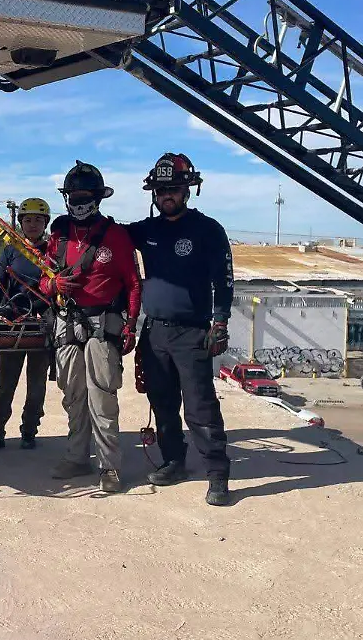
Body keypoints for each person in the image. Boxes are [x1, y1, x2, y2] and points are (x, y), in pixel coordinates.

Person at [126, 152, 234, 506]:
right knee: (163, 403)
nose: (165, 196)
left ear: (187, 190)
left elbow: (224, 280)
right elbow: (111, 235)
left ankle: (217, 475)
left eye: (172, 189)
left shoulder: (208, 230)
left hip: (192, 334)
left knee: (201, 407)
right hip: (154, 332)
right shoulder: (147, 230)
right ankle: (174, 461)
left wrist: (220, 322)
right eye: (160, 190)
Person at [40, 161, 141, 493]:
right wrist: (54, 286)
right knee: (73, 395)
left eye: (85, 195)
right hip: (67, 323)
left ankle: (109, 467)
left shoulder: (116, 236)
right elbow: (45, 279)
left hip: (102, 326)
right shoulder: (59, 235)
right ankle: (77, 456)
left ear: (98, 197)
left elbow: (133, 283)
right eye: (73, 195)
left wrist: (130, 326)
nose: (79, 202)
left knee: (102, 396)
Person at [0, 197, 52, 452]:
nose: (32, 225)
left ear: (45, 223)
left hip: (40, 325)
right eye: (27, 220)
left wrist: (45, 312)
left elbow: (55, 290)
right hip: (12, 323)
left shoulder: (51, 252)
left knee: (36, 383)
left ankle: (29, 430)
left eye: (37, 220)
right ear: (20, 222)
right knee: (6, 381)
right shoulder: (11, 250)